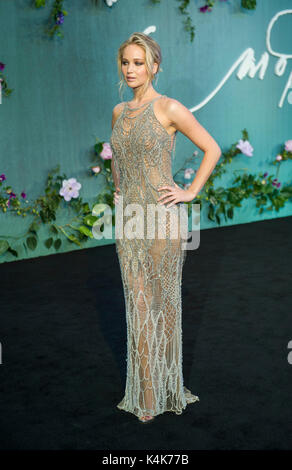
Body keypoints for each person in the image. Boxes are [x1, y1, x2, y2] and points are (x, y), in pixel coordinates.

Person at [110, 32, 221, 423]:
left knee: (163, 307)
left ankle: (170, 385)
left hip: (161, 219)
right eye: (126, 62)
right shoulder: (119, 111)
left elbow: (213, 148)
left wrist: (189, 191)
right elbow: (118, 160)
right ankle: (146, 394)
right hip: (129, 221)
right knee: (137, 306)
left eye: (139, 62)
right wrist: (120, 193)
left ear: (155, 66)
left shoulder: (169, 107)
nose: (131, 69)